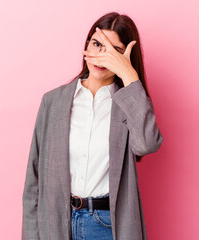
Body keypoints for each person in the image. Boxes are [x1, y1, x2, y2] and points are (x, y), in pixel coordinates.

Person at [22, 12, 164, 240]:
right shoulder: (53, 102)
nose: (101, 55)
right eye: (97, 44)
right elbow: (33, 182)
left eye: (114, 51)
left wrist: (128, 74)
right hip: (57, 223)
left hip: (107, 226)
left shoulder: (130, 103)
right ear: (86, 45)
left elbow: (147, 144)